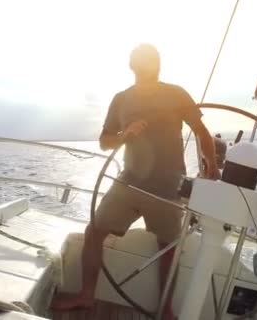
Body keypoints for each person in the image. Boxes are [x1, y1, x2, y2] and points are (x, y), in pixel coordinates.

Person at [51, 43, 219, 320]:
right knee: (94, 232)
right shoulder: (121, 99)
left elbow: (202, 133)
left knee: (168, 248)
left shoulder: (176, 94)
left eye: (153, 59)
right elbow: (105, 142)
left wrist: (210, 165)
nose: (150, 64)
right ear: (133, 65)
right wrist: (125, 134)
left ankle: (165, 309)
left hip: (168, 187)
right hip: (128, 183)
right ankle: (86, 296)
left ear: (159, 64)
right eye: (144, 60)